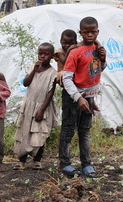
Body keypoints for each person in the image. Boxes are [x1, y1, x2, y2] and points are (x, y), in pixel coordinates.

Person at [59, 17, 107, 178]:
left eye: (93, 32)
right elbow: (66, 78)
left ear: (97, 32)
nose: (90, 35)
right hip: (73, 96)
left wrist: (103, 59)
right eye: (86, 32)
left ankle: (86, 163)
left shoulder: (97, 48)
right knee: (68, 130)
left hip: (89, 95)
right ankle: (65, 163)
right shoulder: (75, 52)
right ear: (81, 33)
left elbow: (97, 70)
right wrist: (78, 98)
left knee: (84, 131)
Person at [13, 42, 57, 170]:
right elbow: (26, 83)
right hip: (29, 106)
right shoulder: (32, 68)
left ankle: (37, 160)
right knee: (24, 132)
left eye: (46, 54)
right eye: (40, 53)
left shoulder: (53, 73)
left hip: (42, 106)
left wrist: (41, 110)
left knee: (39, 133)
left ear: (52, 56)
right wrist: (34, 70)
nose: (42, 56)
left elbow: (50, 92)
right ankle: (22, 160)